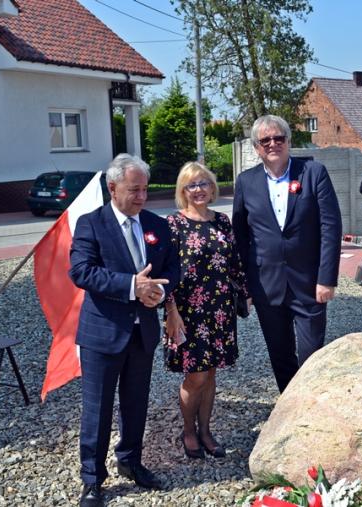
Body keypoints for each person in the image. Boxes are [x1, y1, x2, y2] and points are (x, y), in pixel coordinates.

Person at [69, 154, 179, 506]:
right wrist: (132, 286)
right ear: (112, 188)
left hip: (142, 333)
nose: (142, 197)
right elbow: (82, 272)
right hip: (103, 333)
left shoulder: (156, 224)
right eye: (135, 190)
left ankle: (130, 461)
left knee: (135, 404)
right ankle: (92, 479)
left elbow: (172, 268)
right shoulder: (91, 224)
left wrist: (159, 292)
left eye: (145, 189)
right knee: (97, 409)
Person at [232, 114, 342, 393]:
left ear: (288, 141)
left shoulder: (313, 173)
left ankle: (307, 404)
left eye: (278, 138)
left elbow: (330, 227)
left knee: (311, 355)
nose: (273, 144)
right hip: (266, 286)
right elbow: (241, 238)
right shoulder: (246, 182)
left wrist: (327, 278)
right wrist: (245, 287)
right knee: (280, 356)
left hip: (309, 284)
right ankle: (289, 407)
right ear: (256, 147)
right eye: (265, 140)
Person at [163, 162, 247, 460]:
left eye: (203, 183)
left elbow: (235, 263)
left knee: (210, 374)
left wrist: (246, 295)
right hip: (187, 313)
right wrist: (170, 309)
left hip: (220, 310)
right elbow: (165, 271)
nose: (198, 189)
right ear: (182, 191)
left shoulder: (222, 221)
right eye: (191, 185)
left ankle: (206, 431)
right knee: (196, 376)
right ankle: (188, 430)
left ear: (212, 187)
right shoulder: (173, 224)